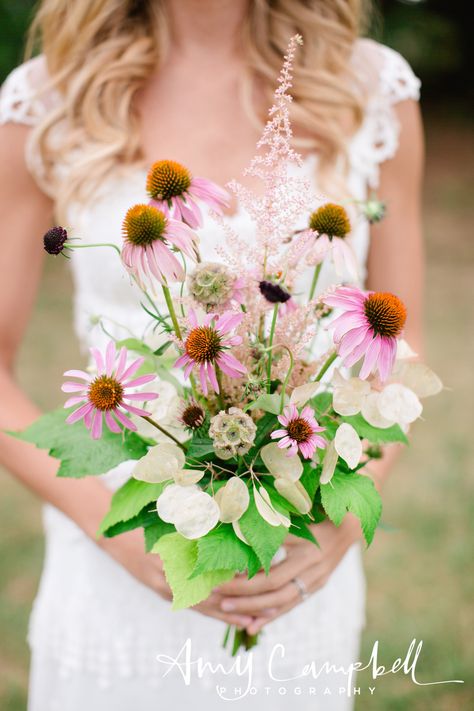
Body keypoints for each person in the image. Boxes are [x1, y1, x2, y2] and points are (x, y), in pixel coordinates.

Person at [0, 1, 424, 709]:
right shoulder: (49, 98)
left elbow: (402, 349)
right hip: (117, 554)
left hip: (296, 560)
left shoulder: (367, 90)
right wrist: (115, 533)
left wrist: (340, 524)